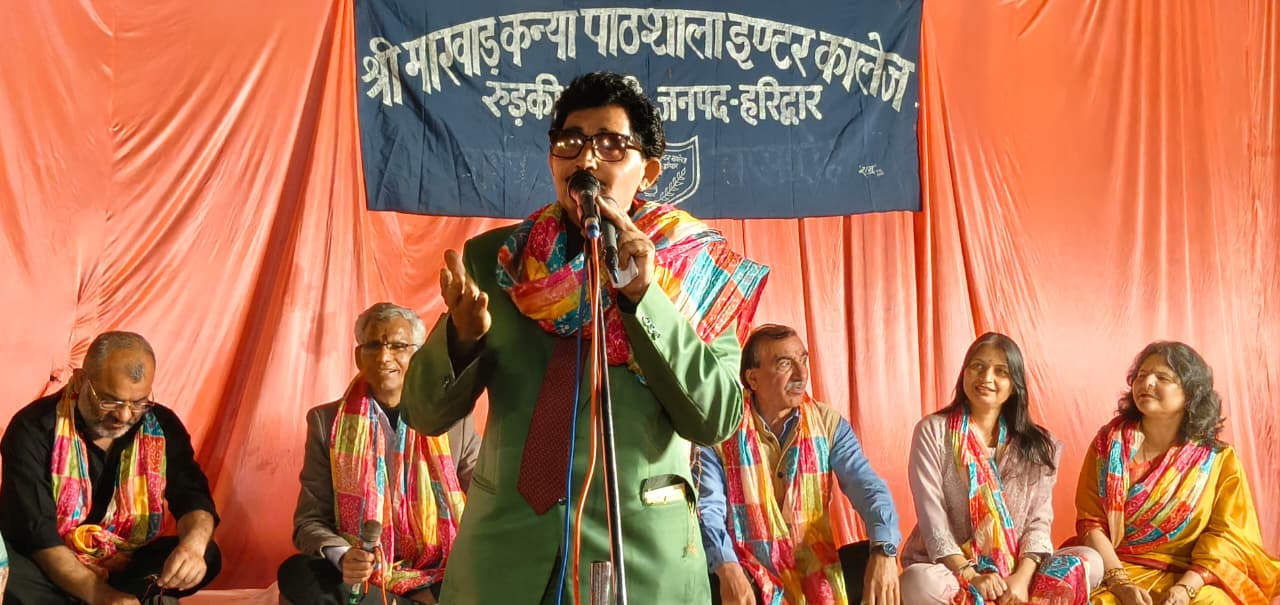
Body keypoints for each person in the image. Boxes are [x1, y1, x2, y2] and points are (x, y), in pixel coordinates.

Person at [400, 71, 769, 604]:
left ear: (649, 171)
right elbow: (422, 413)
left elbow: (715, 419)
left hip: (639, 560)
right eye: (570, 142)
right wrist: (461, 338)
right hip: (504, 558)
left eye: (612, 144)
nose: (587, 160)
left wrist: (645, 298)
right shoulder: (499, 262)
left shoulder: (698, 271)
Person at [277, 303, 481, 605]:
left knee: (498, 564)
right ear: (359, 356)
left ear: (418, 356)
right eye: (373, 346)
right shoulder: (326, 422)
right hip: (364, 576)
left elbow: (484, 499)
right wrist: (344, 556)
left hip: (440, 571)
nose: (384, 357)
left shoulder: (452, 419)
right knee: (297, 573)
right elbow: (309, 520)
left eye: (398, 346)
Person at [0, 331, 221, 605]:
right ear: (81, 380)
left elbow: (193, 496)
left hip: (123, 564)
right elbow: (38, 536)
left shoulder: (161, 426)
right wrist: (101, 595)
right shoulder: (32, 429)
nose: (124, 415)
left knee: (206, 552)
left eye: (138, 403)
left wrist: (193, 547)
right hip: (46, 565)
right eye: (110, 401)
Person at [693, 324, 902, 605]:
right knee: (710, 579)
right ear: (753, 379)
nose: (801, 374)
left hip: (814, 568)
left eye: (803, 360)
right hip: (749, 568)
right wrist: (727, 568)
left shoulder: (828, 424)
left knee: (877, 561)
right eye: (784, 364)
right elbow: (708, 510)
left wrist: (884, 551)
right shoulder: (721, 429)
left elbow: (868, 488)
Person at [899, 332, 1100, 604]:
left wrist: (1021, 579)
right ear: (964, 373)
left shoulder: (1040, 446)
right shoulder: (933, 432)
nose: (986, 377)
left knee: (1090, 561)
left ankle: (1013, 596)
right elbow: (932, 518)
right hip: (954, 570)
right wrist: (972, 575)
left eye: (1000, 371)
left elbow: (1038, 522)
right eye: (977, 366)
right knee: (916, 582)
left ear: (1014, 385)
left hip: (1018, 572)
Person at [1075, 341, 1280, 605]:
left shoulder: (1217, 460)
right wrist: (1121, 584)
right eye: (1141, 375)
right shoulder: (1108, 446)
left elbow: (1226, 537)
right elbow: (1091, 523)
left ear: (1191, 393)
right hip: (1116, 570)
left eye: (1162, 378)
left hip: (1190, 577)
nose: (1147, 383)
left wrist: (1185, 589)